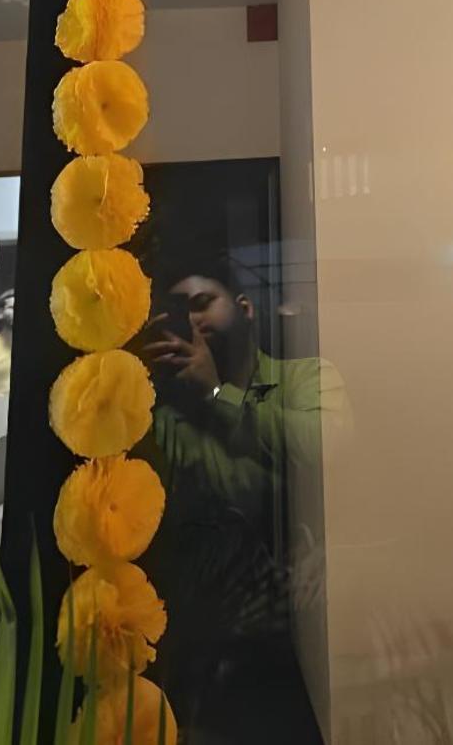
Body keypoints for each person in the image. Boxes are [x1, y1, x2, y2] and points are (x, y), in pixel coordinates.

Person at [139, 256, 346, 743]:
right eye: (178, 312)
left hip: (306, 640)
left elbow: (328, 450)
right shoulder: (168, 417)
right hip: (204, 654)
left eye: (202, 303)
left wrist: (217, 395)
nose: (191, 320)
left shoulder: (303, 378)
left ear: (245, 308)